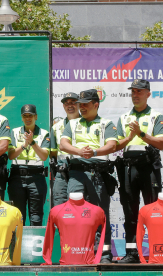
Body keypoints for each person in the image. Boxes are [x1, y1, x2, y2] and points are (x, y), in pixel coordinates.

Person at [60, 89, 118, 263]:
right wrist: (79, 151)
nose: (82, 107)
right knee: (73, 211)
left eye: (85, 104)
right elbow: (63, 144)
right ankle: (77, 252)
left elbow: (112, 145)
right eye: (80, 104)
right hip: (76, 172)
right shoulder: (72, 124)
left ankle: (104, 254)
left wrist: (93, 152)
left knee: (100, 213)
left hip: (98, 172)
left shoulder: (106, 123)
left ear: (96, 104)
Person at [115, 79, 163, 263]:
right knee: (129, 211)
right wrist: (130, 137)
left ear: (148, 94)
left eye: (139, 91)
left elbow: (161, 143)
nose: (135, 95)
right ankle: (132, 253)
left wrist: (141, 135)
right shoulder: (124, 117)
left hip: (149, 166)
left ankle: (155, 251)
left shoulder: (157, 116)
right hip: (129, 167)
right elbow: (115, 145)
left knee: (154, 211)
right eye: (133, 91)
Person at [7, 104, 50, 226]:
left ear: (35, 116)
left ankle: (36, 244)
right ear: (21, 118)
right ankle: (17, 245)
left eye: (30, 115)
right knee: (17, 215)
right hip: (17, 176)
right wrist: (24, 145)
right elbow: (11, 155)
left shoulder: (44, 133)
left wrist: (32, 143)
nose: (27, 118)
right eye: (25, 116)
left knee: (36, 216)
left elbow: (44, 156)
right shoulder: (14, 132)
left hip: (36, 177)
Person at [50, 92, 80, 206]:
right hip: (61, 171)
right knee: (59, 202)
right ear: (63, 106)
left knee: (78, 203)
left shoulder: (87, 123)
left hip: (80, 168)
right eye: (66, 103)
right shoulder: (56, 127)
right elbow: (53, 152)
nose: (70, 105)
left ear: (79, 104)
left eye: (73, 102)